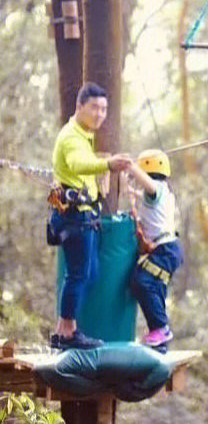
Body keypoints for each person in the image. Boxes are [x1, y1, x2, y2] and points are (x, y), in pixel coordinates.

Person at [49, 82, 132, 350]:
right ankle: (68, 331)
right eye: (94, 107)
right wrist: (108, 163)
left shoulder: (84, 135)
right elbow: (77, 164)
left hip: (84, 217)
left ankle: (63, 329)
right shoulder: (72, 136)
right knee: (79, 275)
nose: (100, 114)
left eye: (104, 109)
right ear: (79, 106)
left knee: (88, 273)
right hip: (74, 218)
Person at [127, 149, 183, 352]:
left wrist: (130, 167)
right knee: (152, 285)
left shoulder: (156, 189)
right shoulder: (163, 192)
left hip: (165, 249)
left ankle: (160, 328)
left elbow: (149, 188)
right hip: (168, 249)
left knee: (143, 282)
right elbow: (147, 196)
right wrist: (132, 193)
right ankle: (159, 335)